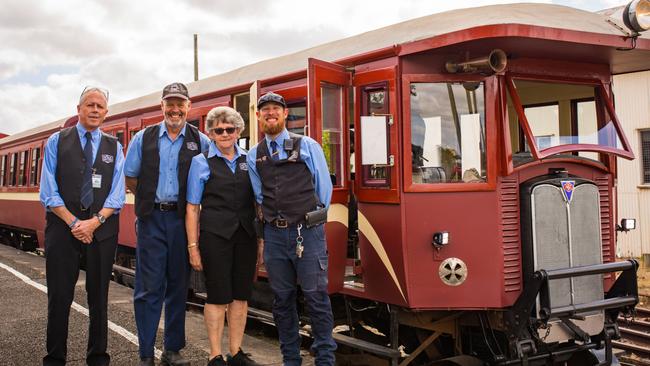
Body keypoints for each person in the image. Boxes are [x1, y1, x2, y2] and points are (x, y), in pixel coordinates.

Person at [247, 92, 337, 366]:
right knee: (282, 300)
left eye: (276, 108)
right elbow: (259, 196)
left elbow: (324, 189)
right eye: (265, 110)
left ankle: (325, 360)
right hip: (275, 235)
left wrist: (308, 217)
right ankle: (291, 360)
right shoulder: (254, 155)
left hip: (307, 233)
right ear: (258, 116)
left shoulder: (308, 145)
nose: (270, 113)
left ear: (286, 114)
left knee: (316, 297)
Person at [124, 82, 210, 366]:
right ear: (161, 106)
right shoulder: (143, 138)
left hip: (182, 221)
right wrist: (150, 199)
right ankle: (146, 352)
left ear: (188, 106)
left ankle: (172, 349)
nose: (175, 109)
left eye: (180, 103)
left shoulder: (201, 141)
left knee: (177, 285)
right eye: (169, 103)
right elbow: (131, 177)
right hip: (152, 220)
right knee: (148, 288)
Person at [40, 86, 125, 366]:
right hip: (63, 229)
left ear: (106, 113)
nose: (95, 110)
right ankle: (55, 358)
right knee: (59, 297)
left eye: (100, 106)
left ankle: (98, 358)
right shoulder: (56, 140)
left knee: (99, 299)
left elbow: (118, 193)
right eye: (90, 105)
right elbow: (48, 191)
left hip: (101, 231)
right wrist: (76, 223)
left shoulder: (115, 146)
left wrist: (95, 222)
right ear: (78, 109)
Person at [185, 106, 261, 366]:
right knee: (218, 296)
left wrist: (260, 240)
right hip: (214, 237)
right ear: (212, 134)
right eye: (219, 130)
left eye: (230, 129)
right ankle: (215, 354)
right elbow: (192, 208)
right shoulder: (201, 162)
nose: (225, 133)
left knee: (240, 296)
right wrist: (193, 246)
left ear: (238, 131)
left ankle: (236, 351)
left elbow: (257, 201)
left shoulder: (249, 159)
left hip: (246, 236)